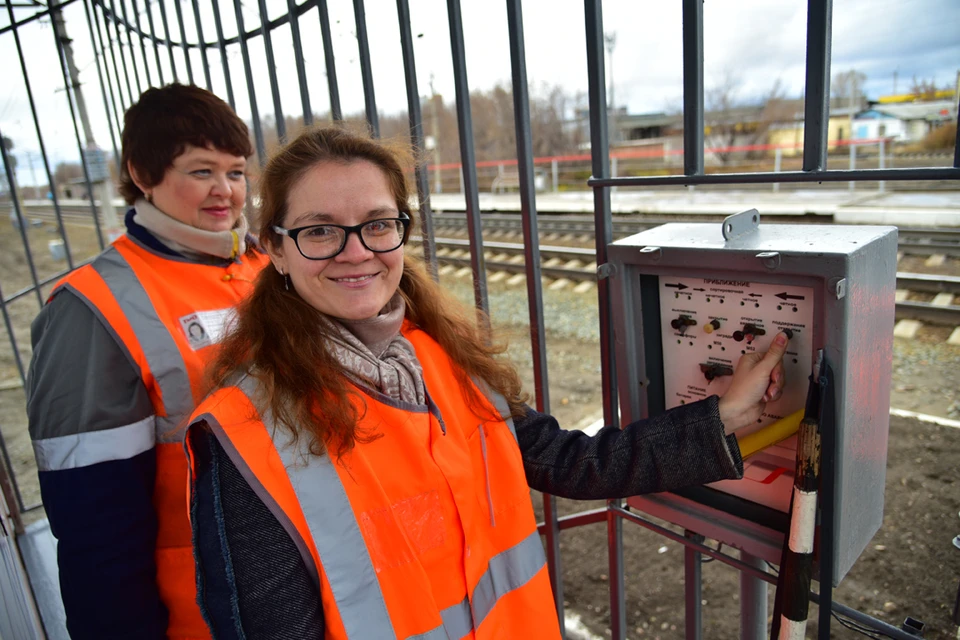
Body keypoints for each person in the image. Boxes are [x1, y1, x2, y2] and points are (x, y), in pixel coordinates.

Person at [185, 127, 789, 639]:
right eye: (320, 230)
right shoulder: (246, 432)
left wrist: (723, 417)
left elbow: (571, 463)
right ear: (277, 251)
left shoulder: (445, 358)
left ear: (402, 232)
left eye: (376, 224)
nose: (356, 251)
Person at [26, 83, 269, 639]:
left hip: (295, 583)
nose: (225, 192)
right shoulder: (92, 312)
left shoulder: (263, 266)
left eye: (236, 173)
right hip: (203, 609)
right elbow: (95, 524)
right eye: (201, 171)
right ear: (142, 173)